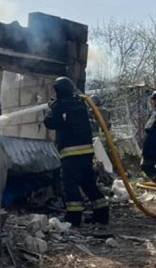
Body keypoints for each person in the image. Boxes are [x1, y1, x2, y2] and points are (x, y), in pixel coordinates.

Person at [43, 76, 110, 227]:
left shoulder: (60, 106)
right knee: (88, 183)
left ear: (58, 91)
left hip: (70, 153)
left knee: (70, 185)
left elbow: (50, 123)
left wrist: (52, 109)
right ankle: (102, 214)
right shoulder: (80, 104)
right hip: (86, 152)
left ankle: (74, 217)